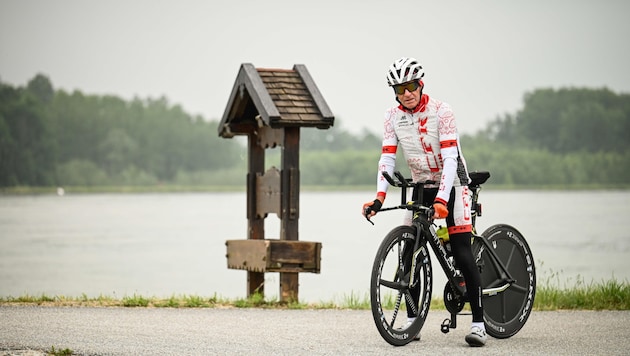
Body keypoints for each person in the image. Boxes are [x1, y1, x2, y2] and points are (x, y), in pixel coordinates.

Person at [361, 57, 487, 347]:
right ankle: (412, 319)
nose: (406, 93)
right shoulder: (392, 117)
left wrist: (443, 199)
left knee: (461, 248)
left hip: (453, 182)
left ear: (420, 85)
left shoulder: (442, 112)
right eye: (400, 88)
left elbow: (451, 158)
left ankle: (479, 323)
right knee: (408, 250)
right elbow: (388, 158)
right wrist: (379, 197)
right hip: (421, 185)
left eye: (410, 86)